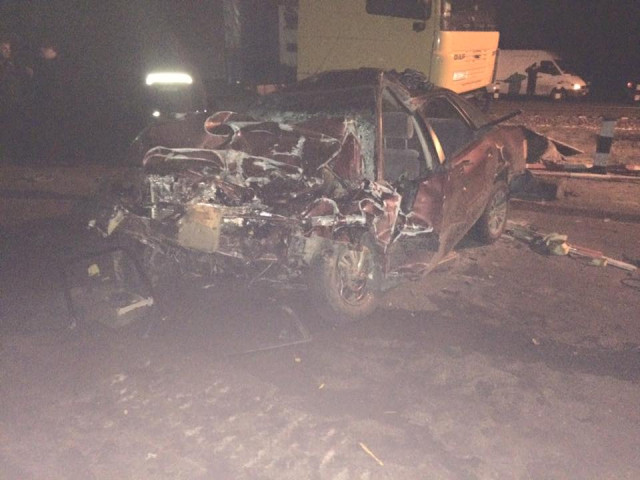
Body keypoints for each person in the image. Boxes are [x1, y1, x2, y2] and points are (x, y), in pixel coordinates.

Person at [0, 35, 30, 163]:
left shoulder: (15, 63)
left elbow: (23, 76)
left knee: (14, 127)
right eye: (4, 48)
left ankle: (14, 155)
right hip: (3, 100)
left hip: (14, 100)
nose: (7, 51)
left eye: (9, 48)